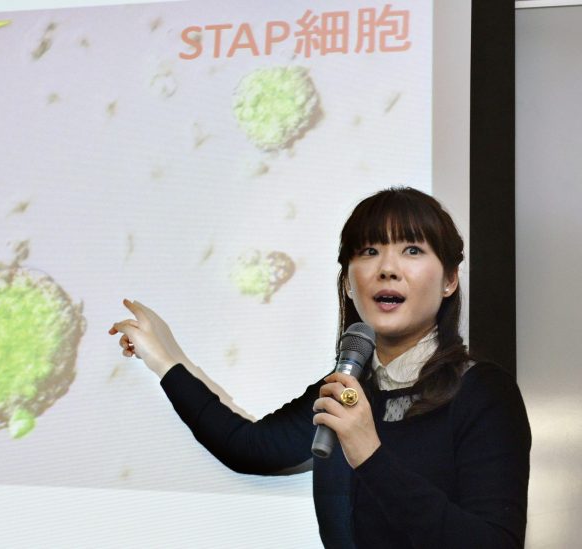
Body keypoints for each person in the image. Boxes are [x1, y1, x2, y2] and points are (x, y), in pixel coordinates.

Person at [109, 187, 531, 548]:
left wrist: (369, 453)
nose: (387, 268)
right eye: (369, 251)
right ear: (349, 281)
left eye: (412, 250)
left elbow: (494, 543)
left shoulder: (482, 392)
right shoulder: (344, 389)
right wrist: (167, 359)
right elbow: (248, 447)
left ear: (449, 280)